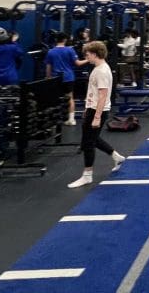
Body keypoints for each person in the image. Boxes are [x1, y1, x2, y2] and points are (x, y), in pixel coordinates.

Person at [68, 41, 125, 188]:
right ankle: (116, 156)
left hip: (98, 110)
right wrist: (88, 108)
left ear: (94, 54)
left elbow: (103, 95)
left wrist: (97, 116)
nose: (86, 58)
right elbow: (94, 93)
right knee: (92, 138)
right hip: (93, 108)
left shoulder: (101, 71)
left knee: (88, 143)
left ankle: (87, 175)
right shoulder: (98, 68)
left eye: (87, 55)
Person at [45, 32, 89, 125]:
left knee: (55, 99)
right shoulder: (70, 50)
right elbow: (78, 63)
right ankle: (71, 120)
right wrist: (89, 59)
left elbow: (48, 68)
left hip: (56, 78)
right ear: (65, 39)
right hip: (68, 78)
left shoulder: (50, 51)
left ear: (56, 40)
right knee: (69, 98)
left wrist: (48, 79)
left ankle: (56, 120)